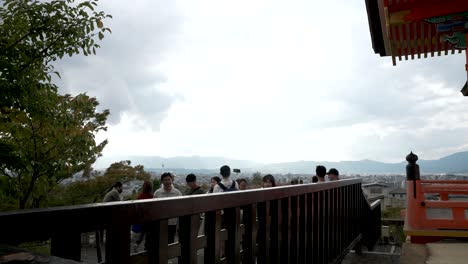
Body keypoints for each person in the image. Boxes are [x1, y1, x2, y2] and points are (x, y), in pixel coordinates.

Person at [154, 172, 182, 244]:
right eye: (165, 180)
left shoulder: (177, 193)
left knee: (170, 240)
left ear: (172, 180)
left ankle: (169, 255)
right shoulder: (157, 193)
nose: (167, 181)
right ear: (162, 181)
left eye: (169, 179)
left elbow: (181, 207)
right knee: (159, 240)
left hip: (172, 221)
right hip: (160, 220)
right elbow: (154, 207)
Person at [132, 180, 153, 252]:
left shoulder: (140, 196)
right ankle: (146, 248)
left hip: (142, 219)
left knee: (142, 233)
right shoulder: (151, 197)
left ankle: (137, 244)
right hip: (149, 219)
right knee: (148, 235)